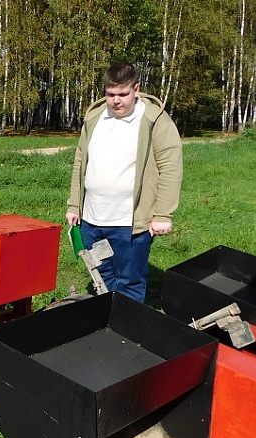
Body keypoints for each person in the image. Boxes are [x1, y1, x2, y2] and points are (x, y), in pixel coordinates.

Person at [65, 61, 183, 303]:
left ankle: (126, 333)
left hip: (130, 222)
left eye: (122, 94)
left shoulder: (154, 119)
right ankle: (107, 325)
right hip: (92, 218)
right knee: (101, 275)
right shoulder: (95, 117)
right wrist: (74, 205)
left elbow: (170, 167)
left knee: (129, 280)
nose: (116, 100)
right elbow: (80, 163)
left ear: (136, 89)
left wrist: (163, 214)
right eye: (110, 94)